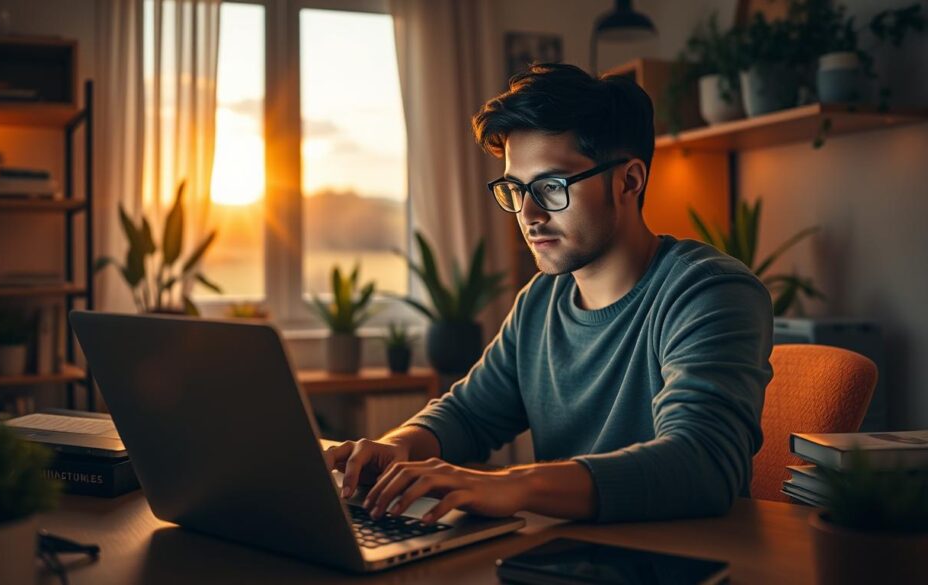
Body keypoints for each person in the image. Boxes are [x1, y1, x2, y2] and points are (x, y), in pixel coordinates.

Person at [323, 63, 773, 525]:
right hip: (567, 556)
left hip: (682, 561)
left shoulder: (709, 293)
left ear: (629, 181)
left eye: (551, 187)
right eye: (515, 189)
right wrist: (398, 444)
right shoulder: (541, 300)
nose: (528, 212)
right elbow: (468, 414)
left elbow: (702, 464)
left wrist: (513, 485)